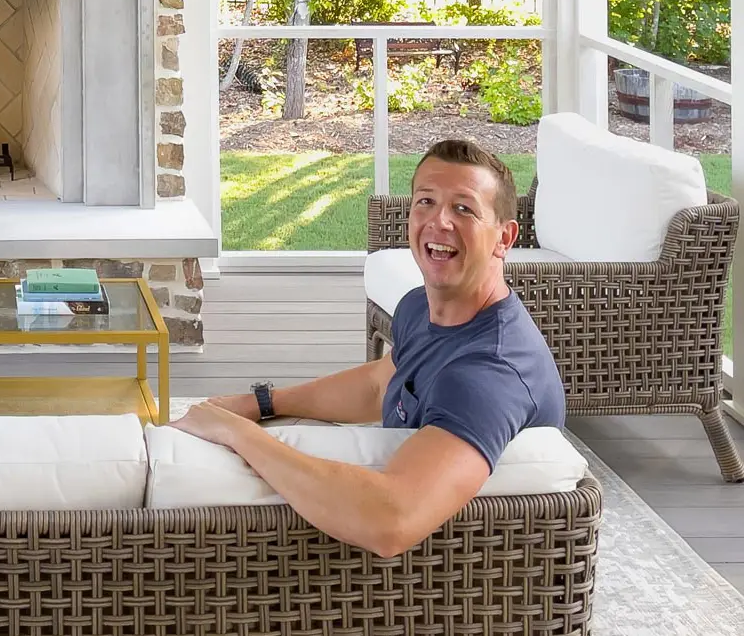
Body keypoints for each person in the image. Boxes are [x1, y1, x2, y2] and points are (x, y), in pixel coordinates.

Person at [169, 140, 565, 558]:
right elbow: (381, 384)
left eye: (463, 208)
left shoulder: (489, 374)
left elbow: (390, 522)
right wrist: (260, 403)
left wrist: (236, 433)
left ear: (504, 237)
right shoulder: (420, 307)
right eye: (426, 201)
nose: (439, 221)